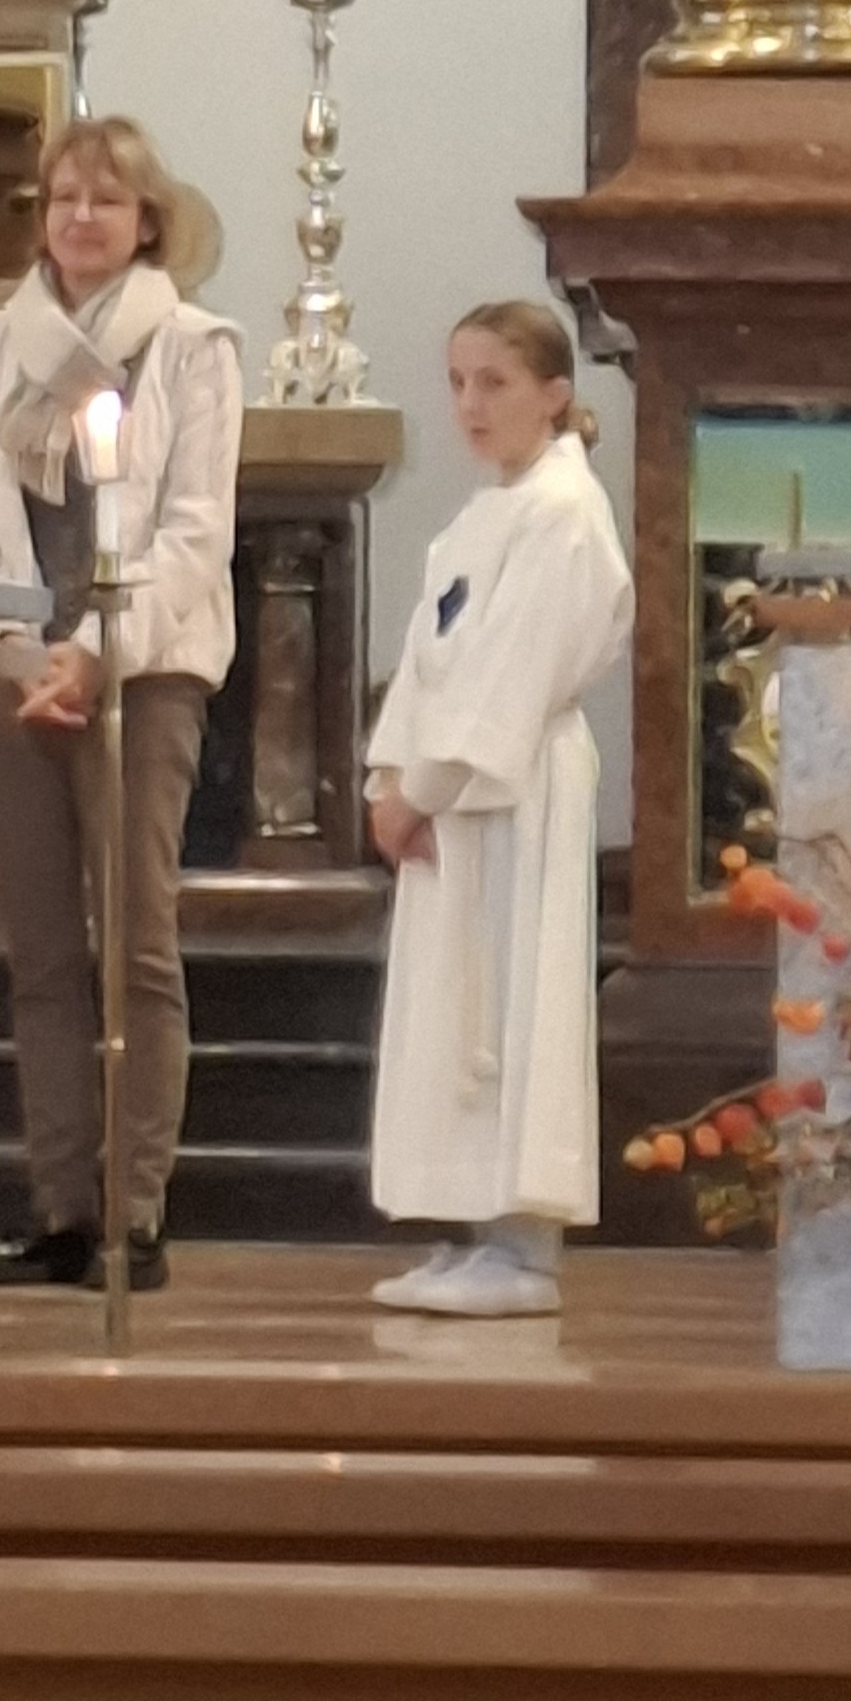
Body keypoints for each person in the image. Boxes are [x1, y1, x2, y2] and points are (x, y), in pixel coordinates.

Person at [0, 116, 241, 1293]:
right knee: (43, 949)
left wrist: (97, 653)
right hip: (16, 671)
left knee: (137, 943)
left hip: (143, 671)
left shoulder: (191, 349)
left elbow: (195, 532)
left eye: (106, 200)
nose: (80, 218)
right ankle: (62, 1207)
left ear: (146, 221)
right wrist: (17, 649)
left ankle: (135, 1210)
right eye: (64, 197)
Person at [364, 303, 629, 1317]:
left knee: (512, 1002)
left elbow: (507, 677)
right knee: (458, 1004)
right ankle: (473, 1223)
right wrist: (392, 778)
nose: (471, 404)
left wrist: (420, 789)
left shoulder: (563, 513)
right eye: (458, 382)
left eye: (495, 383)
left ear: (554, 394)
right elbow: (433, 663)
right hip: (454, 796)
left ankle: (525, 1249)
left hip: (512, 786)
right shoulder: (490, 512)